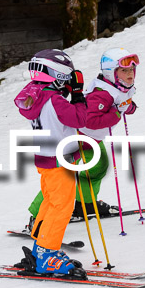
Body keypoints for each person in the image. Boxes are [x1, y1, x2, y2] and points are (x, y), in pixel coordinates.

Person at [24, 48, 138, 228]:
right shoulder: (102, 93)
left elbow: (122, 101)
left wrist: (128, 107)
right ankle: (37, 216)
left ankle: (83, 204)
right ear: (111, 73)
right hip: (79, 138)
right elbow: (91, 120)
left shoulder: (118, 87)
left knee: (97, 168)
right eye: (124, 70)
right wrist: (116, 114)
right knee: (64, 177)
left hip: (92, 140)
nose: (130, 73)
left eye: (132, 70)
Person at [14, 49, 87, 276]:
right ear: (59, 74)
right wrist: (77, 94)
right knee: (62, 206)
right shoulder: (54, 100)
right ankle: (47, 253)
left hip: (46, 158)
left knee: (50, 202)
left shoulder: (37, 95)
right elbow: (80, 118)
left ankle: (40, 248)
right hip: (60, 160)